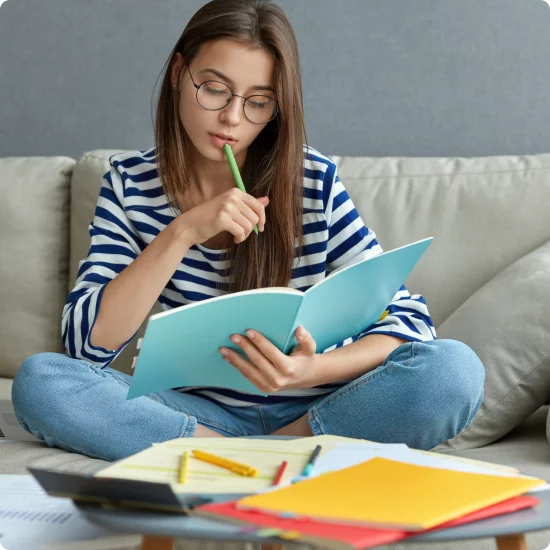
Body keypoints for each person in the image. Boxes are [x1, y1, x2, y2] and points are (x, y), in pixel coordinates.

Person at [12, 0, 484, 462]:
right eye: (214, 89)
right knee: (42, 382)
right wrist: (180, 233)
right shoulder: (130, 183)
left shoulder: (311, 179)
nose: (232, 119)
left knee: (454, 371)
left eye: (258, 102)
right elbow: (84, 346)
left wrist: (308, 370)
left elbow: (408, 322)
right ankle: (258, 457)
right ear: (179, 73)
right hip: (194, 415)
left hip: (319, 408)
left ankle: (252, 457)